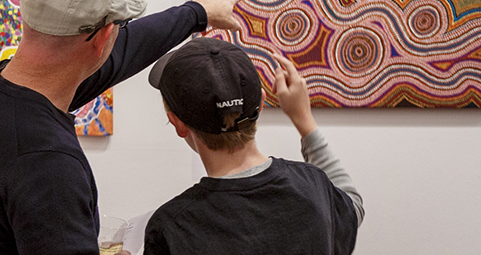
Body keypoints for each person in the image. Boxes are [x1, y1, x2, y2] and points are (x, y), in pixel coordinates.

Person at [0, 0, 245, 255]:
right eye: (118, 29)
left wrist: (198, 13)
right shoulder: (48, 162)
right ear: (102, 36)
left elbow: (123, 53)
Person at [144, 38, 365, 254]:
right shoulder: (316, 189)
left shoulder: (172, 228)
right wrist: (303, 119)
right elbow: (352, 209)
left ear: (178, 123)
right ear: (260, 103)